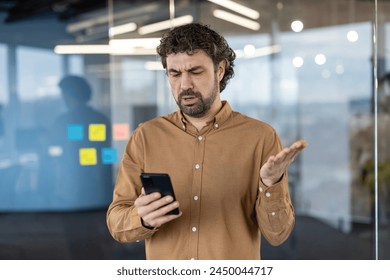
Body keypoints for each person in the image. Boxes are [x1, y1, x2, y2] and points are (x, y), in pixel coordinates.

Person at [106, 23, 308, 260]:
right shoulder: (145, 137)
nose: (185, 85)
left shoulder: (261, 137)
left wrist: (270, 182)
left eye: (195, 72)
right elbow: (116, 223)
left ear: (220, 70)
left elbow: (277, 235)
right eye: (175, 74)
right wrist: (141, 218)